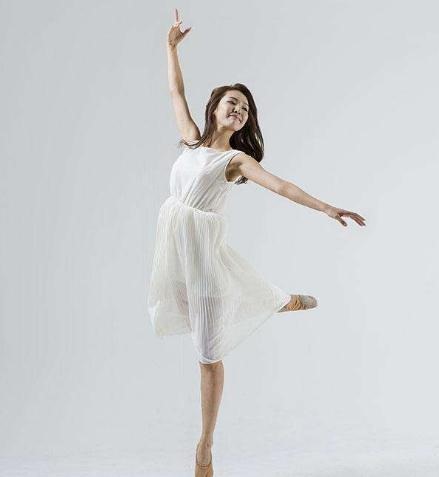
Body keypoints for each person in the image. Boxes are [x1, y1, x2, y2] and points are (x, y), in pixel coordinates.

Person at [147, 9, 367, 476]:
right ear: (215, 108)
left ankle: (205, 446)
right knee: (195, 309)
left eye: (245, 109)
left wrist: (328, 208)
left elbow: (282, 186)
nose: (239, 110)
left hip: (202, 255)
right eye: (232, 102)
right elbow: (175, 93)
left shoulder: (236, 161)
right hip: (175, 249)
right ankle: (276, 299)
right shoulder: (191, 141)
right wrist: (170, 48)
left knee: (208, 353)